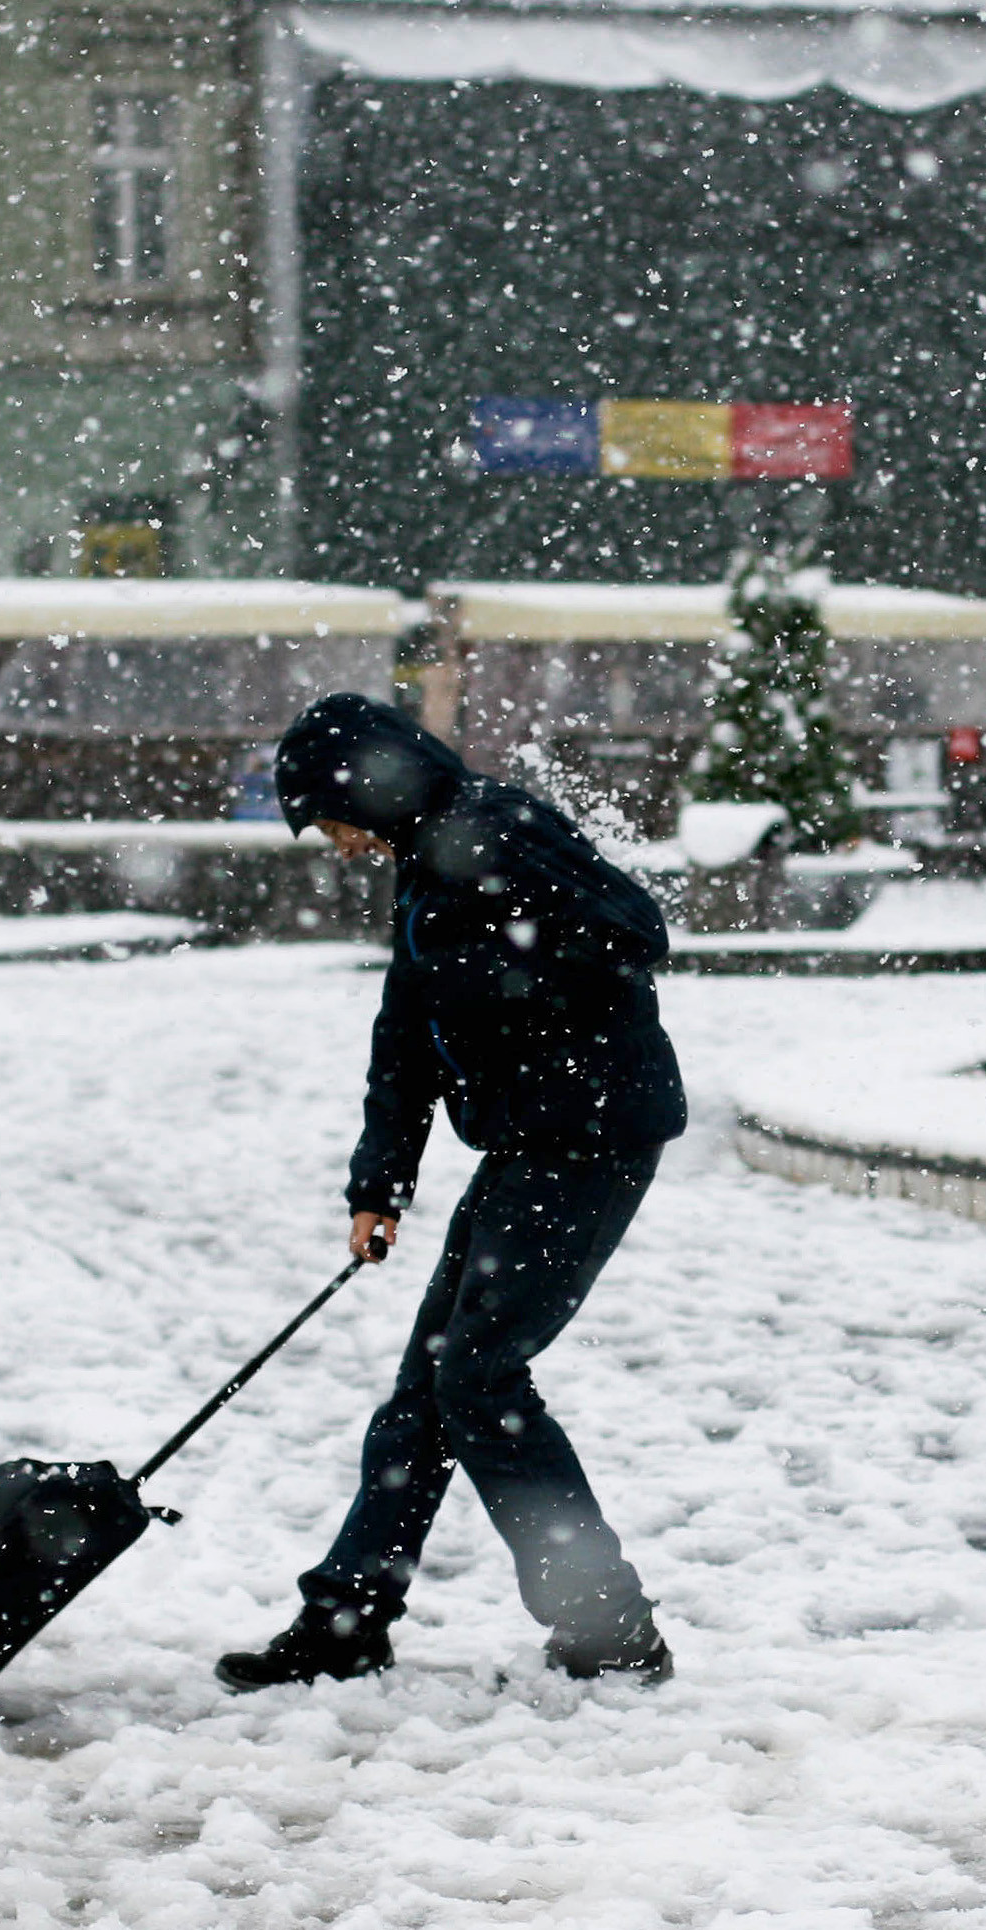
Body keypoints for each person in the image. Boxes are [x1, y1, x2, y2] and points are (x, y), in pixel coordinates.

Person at [217, 693, 686, 1692]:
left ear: (364, 791)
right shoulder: (428, 863)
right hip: (527, 1146)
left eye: (333, 823)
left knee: (476, 1379)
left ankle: (609, 1630)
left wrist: (512, 977)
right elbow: (404, 1033)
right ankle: (345, 1620)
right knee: (430, 1386)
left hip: (593, 1137)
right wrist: (379, 1182)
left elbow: (634, 929)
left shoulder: (495, 826)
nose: (341, 846)